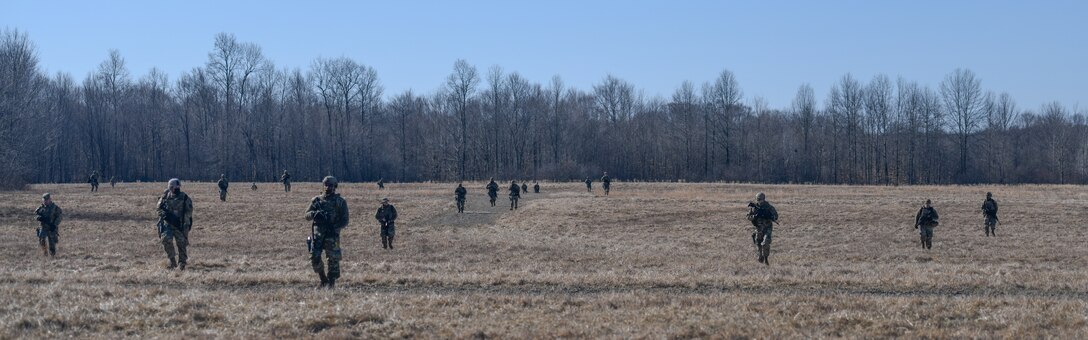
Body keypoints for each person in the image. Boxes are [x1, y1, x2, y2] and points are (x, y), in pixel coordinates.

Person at [304, 176, 350, 288]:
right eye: (326, 185)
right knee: (314, 257)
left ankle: (332, 283)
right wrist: (314, 214)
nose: (328, 187)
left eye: (330, 185)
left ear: (335, 186)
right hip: (318, 235)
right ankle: (323, 279)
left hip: (332, 234)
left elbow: (345, 220)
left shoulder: (340, 202)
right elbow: (306, 215)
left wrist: (335, 227)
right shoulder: (316, 200)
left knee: (333, 259)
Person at [157, 179, 193, 270]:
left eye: (178, 187)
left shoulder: (184, 197)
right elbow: (158, 208)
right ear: (170, 187)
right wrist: (165, 215)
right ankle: (172, 261)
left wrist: (184, 222)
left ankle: (182, 263)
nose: (176, 189)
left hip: (180, 225)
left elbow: (189, 211)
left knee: (182, 243)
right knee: (166, 240)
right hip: (167, 224)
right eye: (174, 187)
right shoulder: (165, 196)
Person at [746, 192, 778, 265]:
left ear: (764, 199)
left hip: (767, 228)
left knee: (765, 243)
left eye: (761, 199)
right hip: (758, 228)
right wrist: (754, 217)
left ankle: (766, 258)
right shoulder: (754, 208)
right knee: (758, 243)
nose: (759, 201)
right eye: (758, 199)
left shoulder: (769, 207)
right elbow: (748, 217)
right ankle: (760, 256)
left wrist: (769, 216)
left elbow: (776, 216)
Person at [34, 193, 63, 257]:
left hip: (51, 227)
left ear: (50, 199)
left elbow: (60, 217)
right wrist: (39, 218)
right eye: (44, 200)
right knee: (41, 239)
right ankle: (45, 253)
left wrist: (54, 225)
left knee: (52, 242)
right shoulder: (40, 208)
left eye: (47, 200)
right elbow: (35, 215)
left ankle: (52, 255)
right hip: (43, 227)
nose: (45, 201)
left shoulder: (55, 208)